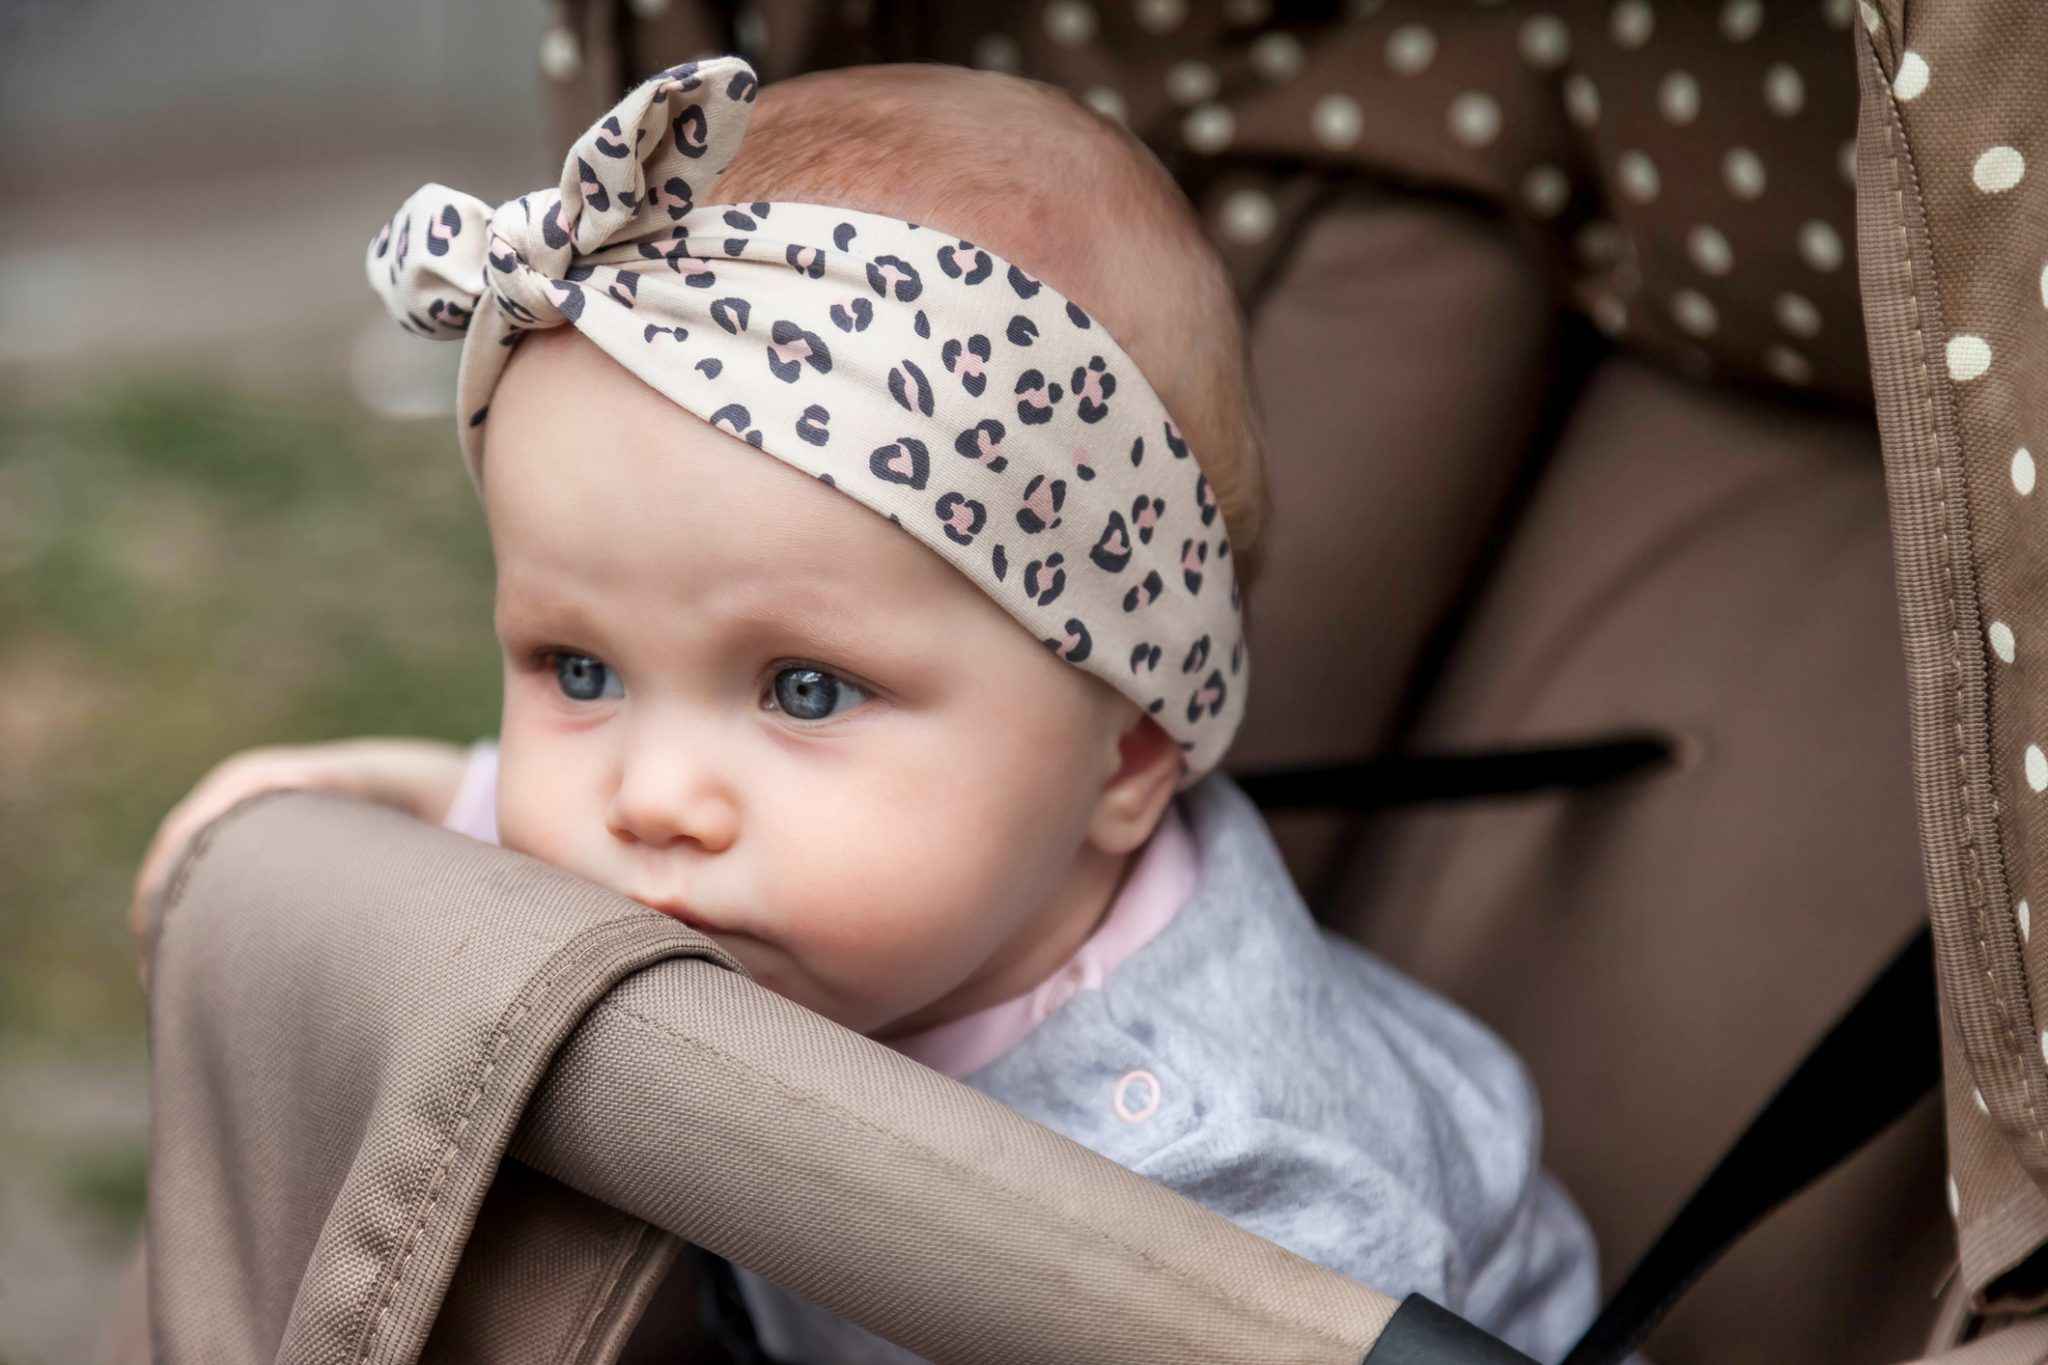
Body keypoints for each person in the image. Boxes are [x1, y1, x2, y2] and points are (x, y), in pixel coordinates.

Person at [132, 55, 1600, 1361]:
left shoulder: (1230, 1183)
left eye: (806, 688)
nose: (650, 799)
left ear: (1133, 754)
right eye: (580, 672)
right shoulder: (779, 885)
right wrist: (409, 800)